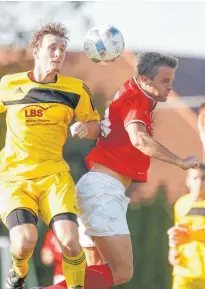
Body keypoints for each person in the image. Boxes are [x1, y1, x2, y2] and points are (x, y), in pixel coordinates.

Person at [35, 52, 200, 289]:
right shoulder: (138, 100)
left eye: (171, 81)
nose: (169, 87)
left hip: (92, 188)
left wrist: (87, 128)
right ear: (144, 80)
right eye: (164, 81)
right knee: (121, 271)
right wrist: (180, 161)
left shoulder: (126, 91)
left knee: (95, 273)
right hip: (103, 192)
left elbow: (105, 130)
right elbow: (139, 139)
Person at [0, 22, 101, 289]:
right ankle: (18, 273)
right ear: (36, 51)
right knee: (24, 241)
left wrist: (85, 127)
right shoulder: (10, 85)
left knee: (70, 241)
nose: (58, 54)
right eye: (52, 48)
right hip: (15, 180)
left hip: (54, 178)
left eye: (63, 49)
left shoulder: (76, 90)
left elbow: (97, 126)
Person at [167, 164, 205, 289]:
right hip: (184, 272)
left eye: (203, 178)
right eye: (195, 178)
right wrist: (173, 250)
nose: (199, 183)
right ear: (187, 181)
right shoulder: (181, 204)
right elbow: (178, 233)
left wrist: (190, 234)